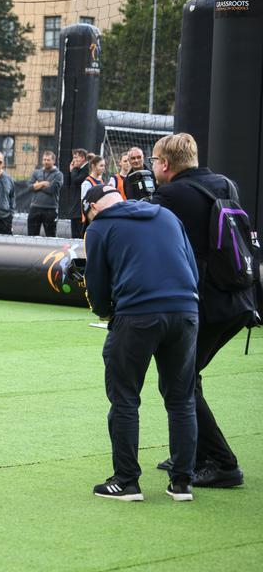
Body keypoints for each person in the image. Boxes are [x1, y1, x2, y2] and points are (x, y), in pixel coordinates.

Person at [149, 133, 256, 488]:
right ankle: (191, 453)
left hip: (207, 303)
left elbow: (152, 236)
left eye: (153, 161)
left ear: (165, 164)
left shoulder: (170, 195)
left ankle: (222, 463)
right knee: (187, 376)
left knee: (178, 381)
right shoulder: (225, 184)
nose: (151, 167)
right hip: (238, 299)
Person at [83, 184, 200, 502]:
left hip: (137, 314)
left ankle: (126, 481)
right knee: (181, 400)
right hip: (186, 310)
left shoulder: (99, 228)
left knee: (124, 398)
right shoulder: (166, 215)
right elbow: (191, 266)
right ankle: (182, 483)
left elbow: (97, 285)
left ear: (92, 208)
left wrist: (107, 313)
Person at [27, 151, 64, 237]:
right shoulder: (36, 172)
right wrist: (43, 183)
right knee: (31, 236)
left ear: (53, 161)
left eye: (48, 160)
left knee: (50, 236)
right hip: (35, 208)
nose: (46, 162)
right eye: (44, 160)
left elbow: (52, 189)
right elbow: (29, 187)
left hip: (50, 209)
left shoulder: (58, 174)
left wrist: (37, 185)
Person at [62, 148, 89, 238]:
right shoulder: (77, 170)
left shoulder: (86, 169)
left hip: (81, 209)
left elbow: (77, 181)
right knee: (74, 236)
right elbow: (68, 184)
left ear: (82, 158)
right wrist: (71, 171)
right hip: (75, 208)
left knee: (80, 236)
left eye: (75, 157)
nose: (73, 160)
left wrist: (74, 169)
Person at [79, 154, 106, 231]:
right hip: (90, 220)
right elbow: (84, 203)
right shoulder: (87, 183)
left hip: (100, 218)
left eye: (104, 166)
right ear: (93, 166)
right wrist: (89, 217)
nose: (103, 168)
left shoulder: (101, 181)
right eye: (101, 166)